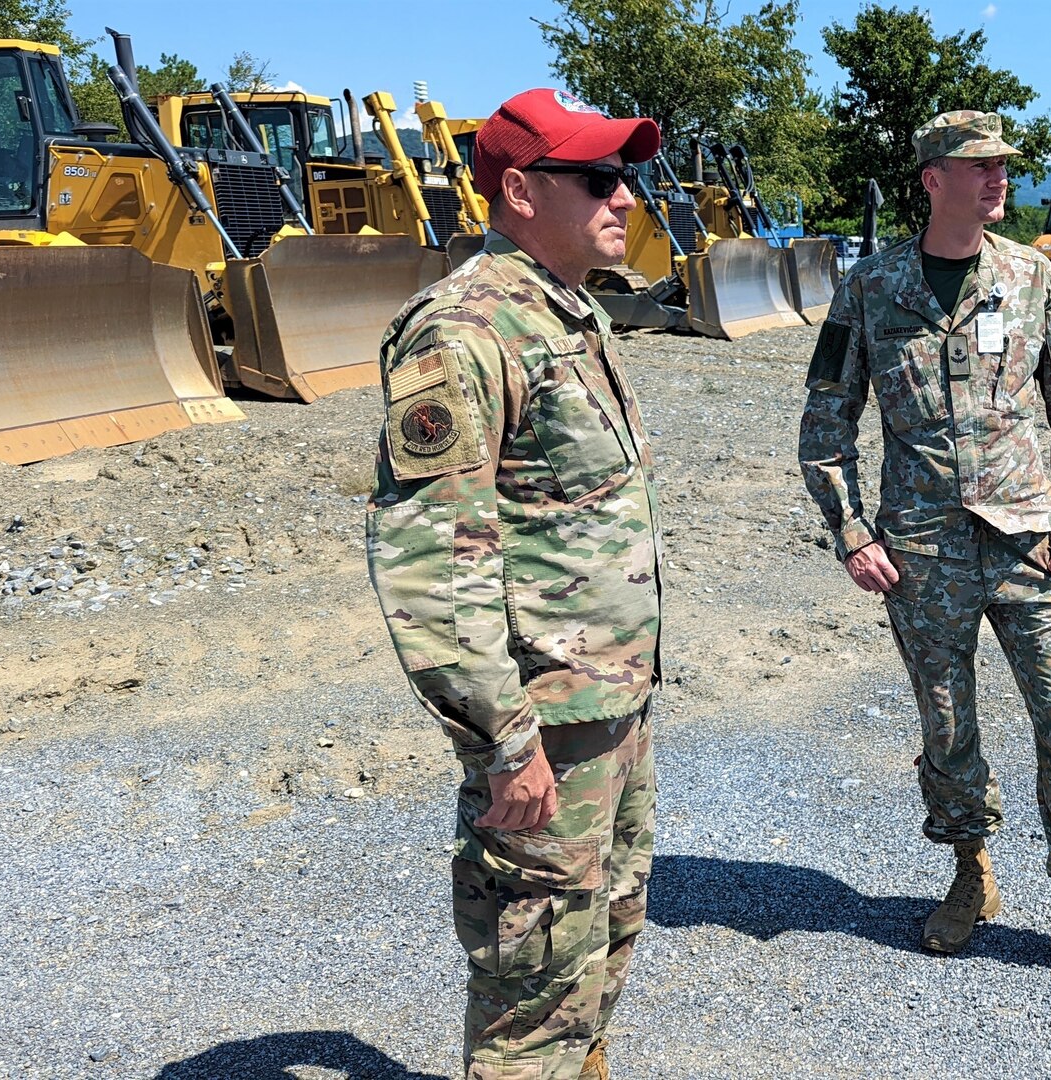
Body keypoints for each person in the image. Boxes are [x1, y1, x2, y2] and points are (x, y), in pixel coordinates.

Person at [797, 110, 1051, 1002]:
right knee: (948, 732)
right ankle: (969, 871)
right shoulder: (872, 287)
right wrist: (849, 532)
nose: (998, 178)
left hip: (1030, 546)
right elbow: (824, 421)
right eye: (978, 166)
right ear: (931, 179)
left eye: (1003, 164)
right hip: (919, 553)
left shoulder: (1031, 277)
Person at [366, 88, 664, 1078]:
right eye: (599, 178)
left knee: (610, 923)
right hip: (540, 725)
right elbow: (430, 564)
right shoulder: (462, 329)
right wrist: (503, 745)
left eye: (625, 177)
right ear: (523, 190)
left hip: (608, 703)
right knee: (531, 976)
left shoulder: (571, 314)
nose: (624, 198)